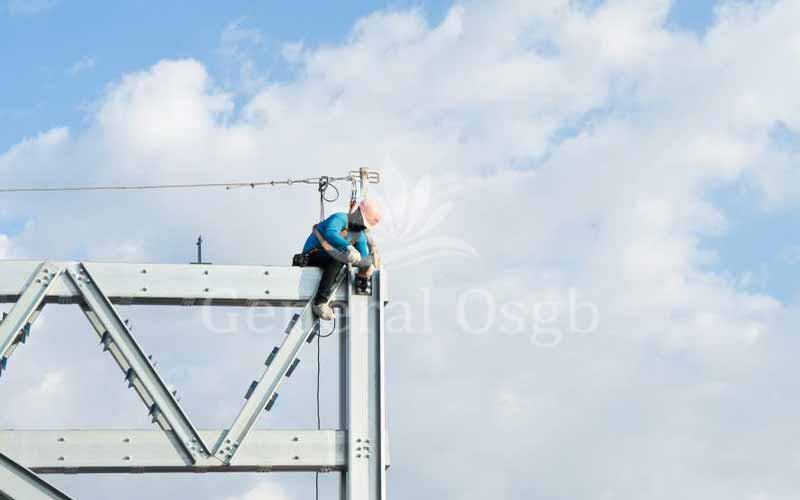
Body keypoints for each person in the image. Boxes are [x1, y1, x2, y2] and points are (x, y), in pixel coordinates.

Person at [294, 199, 382, 320]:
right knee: (339, 258)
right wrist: (348, 246)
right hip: (312, 255)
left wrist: (366, 267)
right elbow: (331, 233)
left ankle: (324, 293)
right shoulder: (340, 218)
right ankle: (320, 302)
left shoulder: (360, 236)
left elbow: (362, 257)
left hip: (331, 260)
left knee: (340, 259)